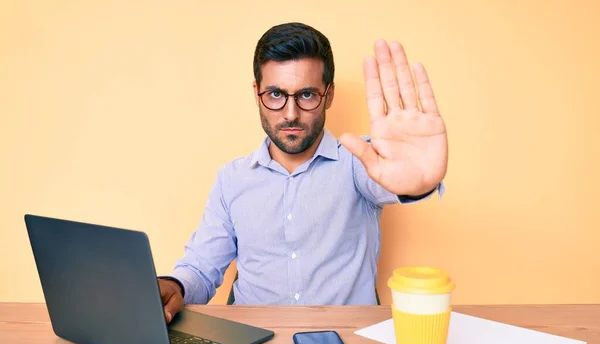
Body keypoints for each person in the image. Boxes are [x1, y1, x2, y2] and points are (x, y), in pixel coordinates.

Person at [158, 22, 447, 323]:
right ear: (257, 93)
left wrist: (419, 183)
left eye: (307, 95)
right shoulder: (231, 179)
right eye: (275, 94)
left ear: (329, 95)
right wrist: (174, 286)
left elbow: (397, 178)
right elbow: (202, 268)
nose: (291, 113)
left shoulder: (360, 162)